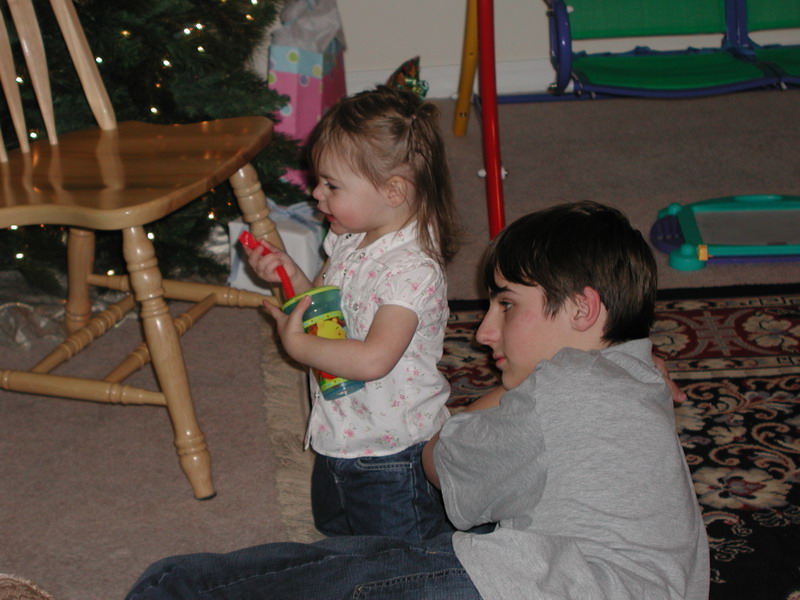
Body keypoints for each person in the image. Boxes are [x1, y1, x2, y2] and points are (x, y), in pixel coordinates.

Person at [126, 201, 709, 600]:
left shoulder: (561, 390)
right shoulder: (641, 383)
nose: (485, 332)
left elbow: (439, 460)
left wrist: (503, 394)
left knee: (197, 584)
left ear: (582, 309)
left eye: (507, 305)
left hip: (545, 585)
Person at [245, 86, 459, 541]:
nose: (316, 193)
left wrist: (297, 345)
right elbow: (328, 309)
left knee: (401, 561)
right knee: (338, 535)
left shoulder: (412, 271)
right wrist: (291, 276)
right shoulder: (348, 237)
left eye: (332, 185)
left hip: (393, 453)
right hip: (339, 432)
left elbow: (373, 359)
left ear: (393, 191)